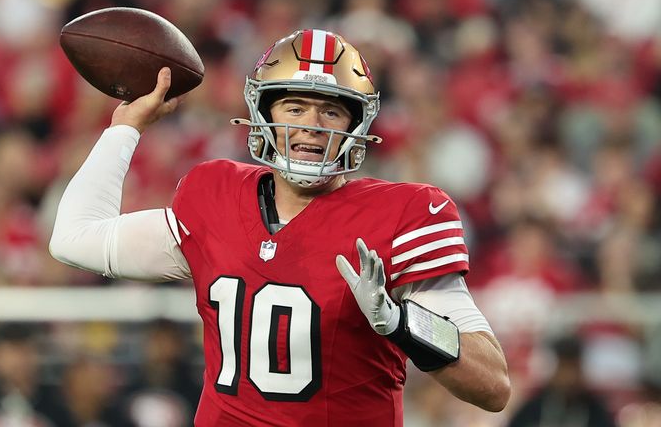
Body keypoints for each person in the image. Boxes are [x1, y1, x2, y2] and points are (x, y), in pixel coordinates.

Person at [50, 29, 510, 426]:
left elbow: (493, 386)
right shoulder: (214, 194)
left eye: (331, 111)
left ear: (358, 124)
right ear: (264, 116)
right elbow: (74, 239)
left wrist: (401, 322)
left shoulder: (404, 214)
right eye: (294, 107)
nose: (312, 125)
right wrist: (126, 126)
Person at [507, 335, 617, 427]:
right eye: (563, 368)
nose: (569, 378)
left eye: (573, 368)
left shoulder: (595, 411)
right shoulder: (533, 408)